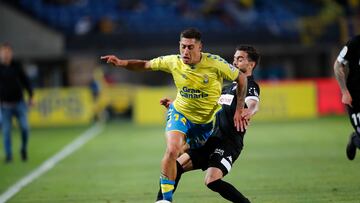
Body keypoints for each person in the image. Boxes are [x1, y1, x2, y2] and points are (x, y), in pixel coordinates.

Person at [101, 28, 247, 202]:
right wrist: (121, 63)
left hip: (205, 125)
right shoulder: (173, 61)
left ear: (200, 47)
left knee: (181, 160)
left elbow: (242, 79)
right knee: (172, 150)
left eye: (190, 47)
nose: (186, 51)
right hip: (180, 114)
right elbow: (145, 65)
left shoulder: (215, 64)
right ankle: (165, 200)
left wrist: (239, 109)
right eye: (183, 46)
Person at [155, 45, 260, 203]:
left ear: (251, 64)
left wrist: (249, 111)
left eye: (240, 59)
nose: (235, 62)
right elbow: (204, 104)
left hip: (228, 143)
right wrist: (175, 105)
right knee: (174, 166)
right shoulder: (226, 88)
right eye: (234, 58)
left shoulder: (250, 85)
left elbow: (253, 102)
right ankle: (161, 201)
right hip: (211, 140)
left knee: (211, 181)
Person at [0, 43, 34, 163]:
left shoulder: (17, 66)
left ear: (11, 53)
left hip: (19, 104)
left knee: (25, 128)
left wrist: (31, 96)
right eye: (3, 52)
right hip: (5, 106)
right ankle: (9, 156)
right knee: (6, 131)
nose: (5, 54)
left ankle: (23, 149)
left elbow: (26, 82)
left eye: (7, 52)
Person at [334, 35, 360, 161]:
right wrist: (344, 92)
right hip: (356, 97)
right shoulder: (355, 43)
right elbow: (338, 65)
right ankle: (355, 139)